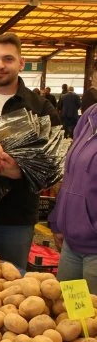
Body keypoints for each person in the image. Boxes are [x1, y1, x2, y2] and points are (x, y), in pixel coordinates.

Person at [0, 33, 60, 268]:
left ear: (21, 63)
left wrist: (21, 171)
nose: (0, 66)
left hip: (17, 210)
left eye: (8, 59)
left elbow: (54, 160)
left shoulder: (40, 107)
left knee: (13, 280)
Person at [49, 103, 97, 292]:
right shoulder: (90, 115)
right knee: (66, 313)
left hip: (93, 247)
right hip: (72, 244)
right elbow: (71, 175)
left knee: (92, 318)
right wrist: (59, 221)